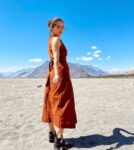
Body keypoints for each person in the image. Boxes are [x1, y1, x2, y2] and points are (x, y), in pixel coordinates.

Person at [41, 17, 77, 150]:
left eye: (63, 27)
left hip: (52, 74)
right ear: (52, 27)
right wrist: (57, 74)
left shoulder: (50, 39)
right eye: (58, 26)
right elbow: (56, 58)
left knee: (51, 102)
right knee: (63, 103)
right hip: (59, 74)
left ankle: (51, 133)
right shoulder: (56, 39)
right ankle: (59, 140)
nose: (61, 29)